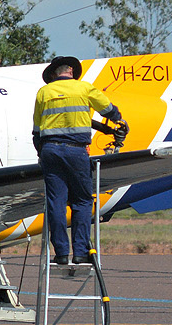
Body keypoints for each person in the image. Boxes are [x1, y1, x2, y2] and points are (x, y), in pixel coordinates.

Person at [33, 56, 126, 266]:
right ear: (71, 72)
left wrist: (43, 153)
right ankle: (81, 252)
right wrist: (119, 120)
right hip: (77, 151)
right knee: (82, 201)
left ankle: (62, 254)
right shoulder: (84, 89)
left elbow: (36, 132)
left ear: (54, 74)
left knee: (56, 201)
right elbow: (108, 110)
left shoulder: (43, 92)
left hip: (50, 150)